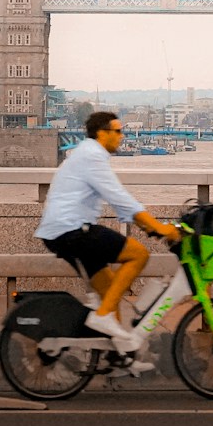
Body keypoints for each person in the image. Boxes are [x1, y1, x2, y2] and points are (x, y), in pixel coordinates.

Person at [35, 111, 180, 352]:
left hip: (60, 231)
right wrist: (157, 227)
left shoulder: (86, 153)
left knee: (108, 291)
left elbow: (115, 199)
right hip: (72, 230)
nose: (123, 136)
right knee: (138, 254)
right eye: (118, 131)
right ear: (103, 133)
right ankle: (102, 318)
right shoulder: (92, 156)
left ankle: (121, 354)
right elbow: (118, 196)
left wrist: (145, 225)